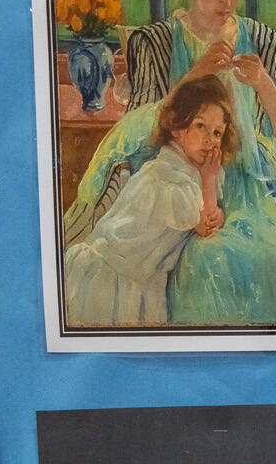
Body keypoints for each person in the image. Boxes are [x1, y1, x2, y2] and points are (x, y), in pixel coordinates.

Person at [66, 0, 276, 327]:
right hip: (181, 188)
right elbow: (146, 133)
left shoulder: (259, 39)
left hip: (249, 188)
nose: (226, 0)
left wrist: (263, 84)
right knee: (205, 262)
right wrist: (197, 73)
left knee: (272, 259)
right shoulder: (157, 41)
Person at [62, 75, 233, 326]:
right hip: (112, 275)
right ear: (177, 128)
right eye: (200, 126)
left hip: (140, 278)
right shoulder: (166, 176)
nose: (210, 139)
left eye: (217, 132)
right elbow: (204, 226)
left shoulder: (190, 171)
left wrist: (217, 210)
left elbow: (207, 216)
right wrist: (209, 183)